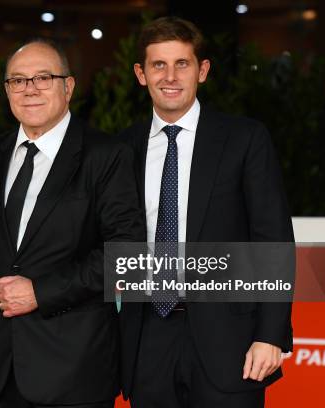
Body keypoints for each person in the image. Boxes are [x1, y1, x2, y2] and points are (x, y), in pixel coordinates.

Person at [119, 17, 294, 408]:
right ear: (140, 74)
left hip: (230, 339)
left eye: (182, 63)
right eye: (158, 65)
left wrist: (270, 335)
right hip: (148, 338)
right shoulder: (121, 148)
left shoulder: (245, 138)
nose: (170, 76)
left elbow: (273, 239)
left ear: (203, 70)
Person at [0, 38, 145, 408]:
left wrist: (41, 292)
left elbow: (127, 255)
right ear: (6, 91)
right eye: (17, 80)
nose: (29, 89)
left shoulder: (106, 155)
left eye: (43, 78)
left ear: (68, 87)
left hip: (73, 369)